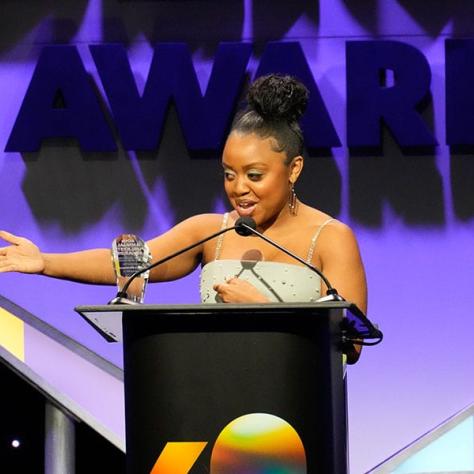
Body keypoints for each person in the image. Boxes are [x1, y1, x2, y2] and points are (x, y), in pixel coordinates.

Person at [0, 74, 367, 359]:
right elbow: (131, 265)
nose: (238, 187)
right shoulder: (212, 232)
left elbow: (351, 347)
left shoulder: (331, 238)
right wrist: (44, 261)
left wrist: (264, 311)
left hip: (298, 416)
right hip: (212, 399)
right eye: (228, 174)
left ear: (293, 169)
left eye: (254, 175)